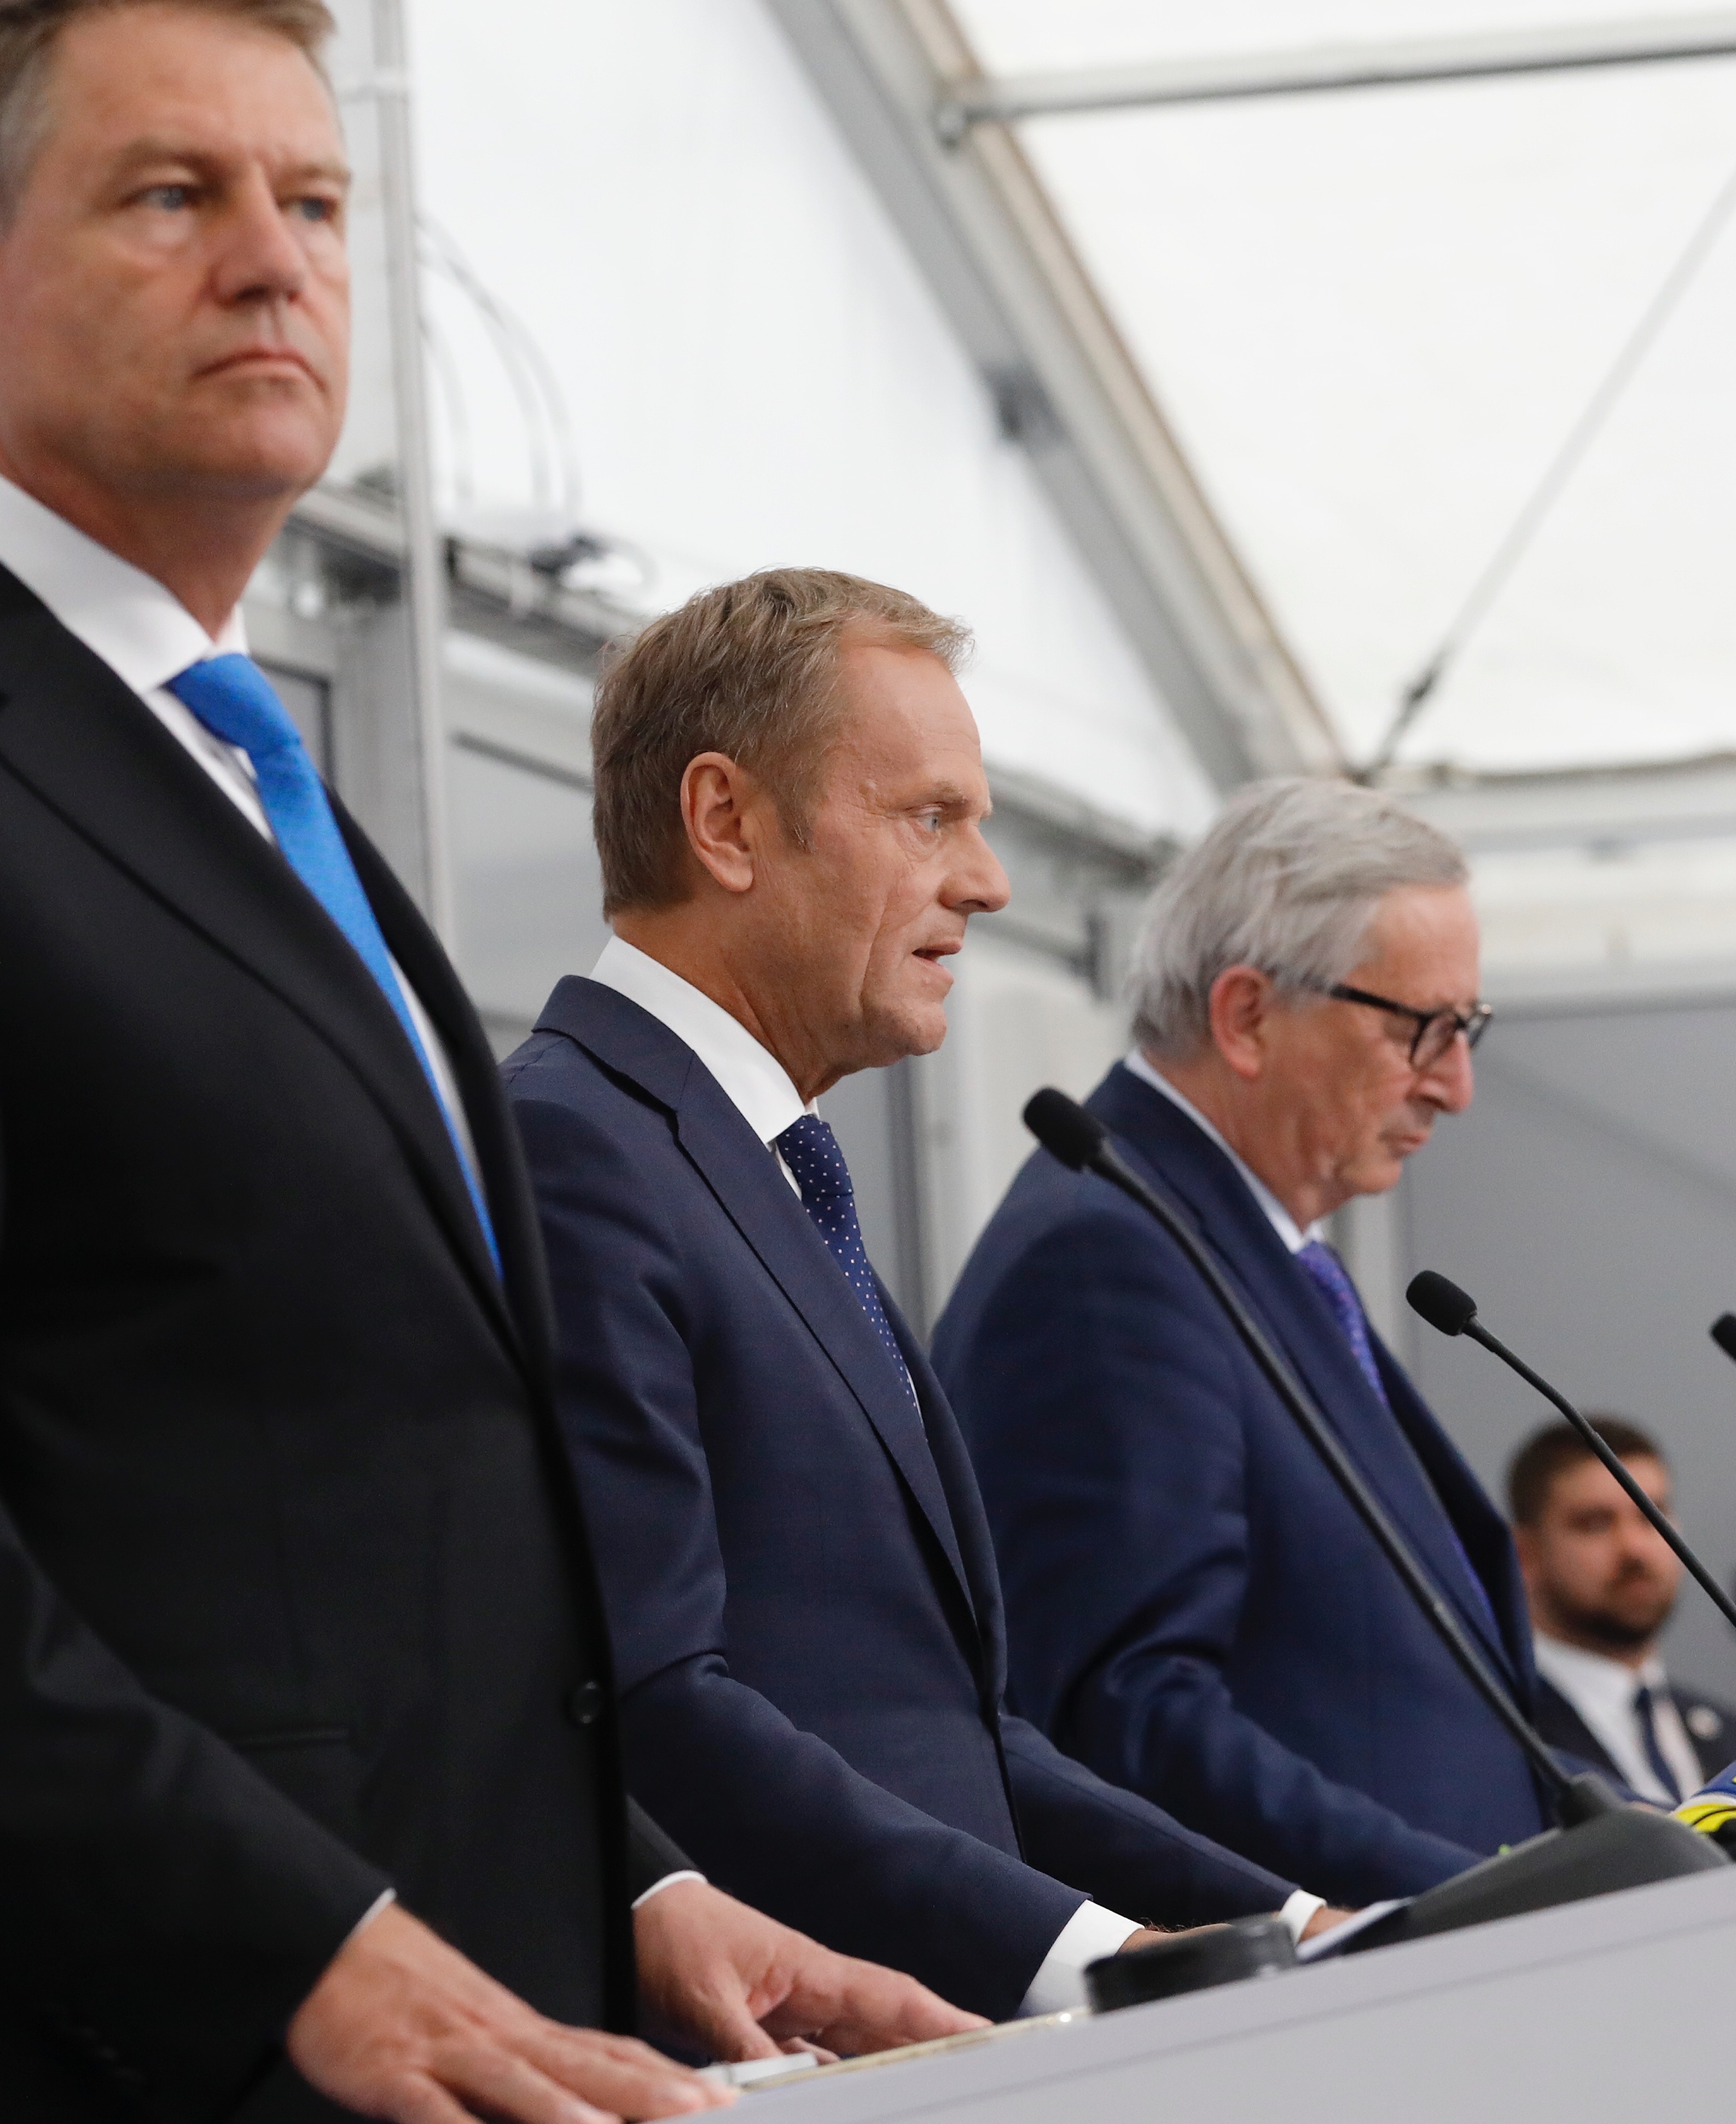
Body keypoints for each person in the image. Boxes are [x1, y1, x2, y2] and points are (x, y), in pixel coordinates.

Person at [0, 0, 964, 2124]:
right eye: (169, 199)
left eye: (312, 206)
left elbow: (342, 1512)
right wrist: (295, 1944)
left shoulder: (250, 785)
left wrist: (624, 1880)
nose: (268, 264)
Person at [503, 571, 1330, 2023]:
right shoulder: (577, 1148)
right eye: (928, 817)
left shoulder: (760, 1165)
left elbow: (955, 1739)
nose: (986, 882)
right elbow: (652, 1700)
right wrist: (1086, 1959)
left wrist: (1282, 1919)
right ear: (726, 822)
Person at [934, 777, 1545, 1907]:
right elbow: (1126, 1717)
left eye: (1467, 1029)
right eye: (1421, 1029)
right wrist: (1462, 1900)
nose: (1454, 1086)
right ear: (1247, 1016)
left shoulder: (1247, 1245)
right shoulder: (1105, 1261)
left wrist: (1634, 1835)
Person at [1507, 1419, 1736, 1805]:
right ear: (1525, 1555)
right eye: (1595, 1524)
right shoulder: (1497, 1736)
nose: (1634, 1548)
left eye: (1652, 1516)